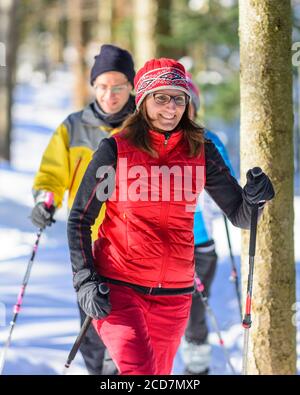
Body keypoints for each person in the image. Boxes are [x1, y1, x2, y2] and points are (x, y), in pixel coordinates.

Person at [67, 58, 275, 375]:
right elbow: (80, 219)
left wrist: (254, 196)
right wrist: (84, 282)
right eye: (161, 97)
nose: (170, 107)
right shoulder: (116, 150)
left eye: (178, 98)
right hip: (119, 288)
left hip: (175, 298)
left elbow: (240, 215)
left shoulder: (201, 150)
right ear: (143, 101)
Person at [30, 44, 135, 375]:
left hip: (131, 242)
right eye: (103, 86)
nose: (110, 94)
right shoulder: (73, 127)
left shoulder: (143, 127)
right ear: (93, 86)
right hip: (87, 241)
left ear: (131, 86)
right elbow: (52, 173)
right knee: (90, 323)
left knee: (126, 331)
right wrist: (46, 200)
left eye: (118, 86)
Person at [181, 73, 236, 375]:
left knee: (195, 310)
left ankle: (196, 368)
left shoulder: (210, 141)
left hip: (200, 244)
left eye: (186, 102)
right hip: (159, 247)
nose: (179, 108)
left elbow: (227, 186)